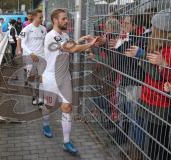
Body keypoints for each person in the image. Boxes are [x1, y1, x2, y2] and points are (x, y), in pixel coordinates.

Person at [125, 9, 171, 160]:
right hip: (151, 96)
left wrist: (141, 55)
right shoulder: (161, 44)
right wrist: (141, 56)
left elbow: (159, 75)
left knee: (159, 141)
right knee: (154, 140)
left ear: (160, 29)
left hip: (160, 100)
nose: (151, 29)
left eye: (153, 26)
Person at [42, 9, 98, 155]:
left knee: (67, 107)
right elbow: (71, 49)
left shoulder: (64, 35)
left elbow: (70, 44)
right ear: (55, 20)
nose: (67, 21)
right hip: (50, 77)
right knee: (48, 104)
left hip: (65, 77)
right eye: (64, 19)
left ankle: (66, 142)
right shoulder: (50, 36)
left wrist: (81, 40)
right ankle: (46, 123)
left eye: (67, 18)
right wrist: (89, 44)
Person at [17, 9, 47, 107]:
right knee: (32, 79)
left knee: (42, 78)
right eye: (40, 17)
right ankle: (34, 96)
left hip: (42, 57)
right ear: (34, 17)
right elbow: (22, 43)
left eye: (42, 17)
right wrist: (30, 53)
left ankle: (41, 100)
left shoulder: (43, 29)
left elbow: (46, 43)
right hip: (31, 58)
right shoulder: (27, 29)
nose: (42, 19)